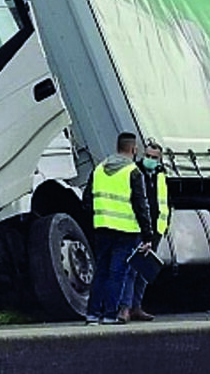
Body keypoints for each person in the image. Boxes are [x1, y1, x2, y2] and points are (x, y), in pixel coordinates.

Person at [83, 132, 154, 325]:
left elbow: (87, 201)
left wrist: (98, 219)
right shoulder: (133, 172)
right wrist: (148, 236)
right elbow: (141, 205)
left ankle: (92, 314)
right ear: (133, 149)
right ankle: (109, 315)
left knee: (101, 272)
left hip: (102, 228)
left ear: (117, 147)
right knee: (117, 274)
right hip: (126, 231)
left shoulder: (98, 169)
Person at [118, 140, 170, 322]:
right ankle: (124, 308)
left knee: (145, 270)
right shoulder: (135, 172)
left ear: (160, 159)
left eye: (154, 157)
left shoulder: (161, 174)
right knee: (132, 268)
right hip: (137, 227)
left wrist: (163, 227)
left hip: (156, 229)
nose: (150, 159)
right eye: (147, 156)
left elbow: (163, 202)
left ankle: (136, 307)